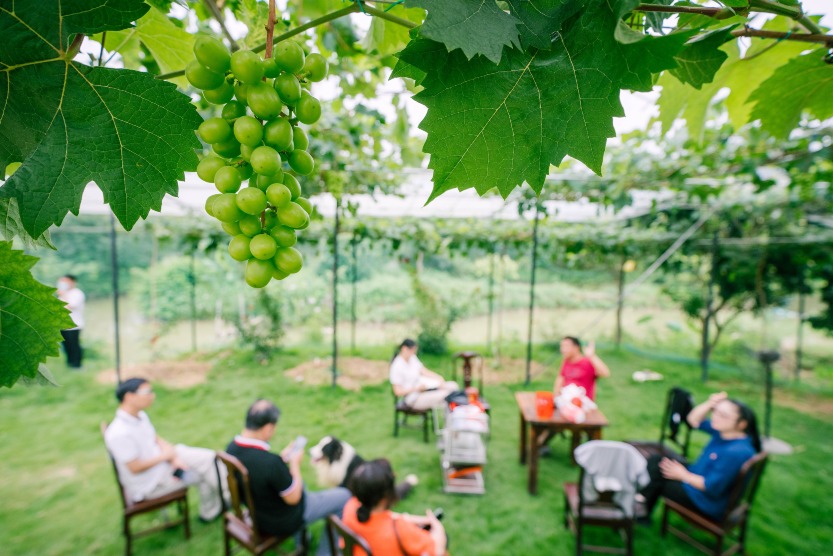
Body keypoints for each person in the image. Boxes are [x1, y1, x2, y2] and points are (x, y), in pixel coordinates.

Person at [226, 400, 351, 556]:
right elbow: (293, 498)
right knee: (344, 497)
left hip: (257, 511)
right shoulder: (270, 463)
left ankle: (303, 540)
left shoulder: (231, 448)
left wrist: (282, 459)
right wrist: (294, 465)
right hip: (280, 520)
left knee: (299, 484)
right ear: (268, 428)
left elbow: (259, 469)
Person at [103, 377, 228, 522]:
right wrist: (167, 456)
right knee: (202, 473)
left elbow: (154, 438)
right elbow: (135, 467)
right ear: (129, 397)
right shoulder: (119, 433)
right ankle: (217, 507)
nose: (152, 396)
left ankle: (225, 498)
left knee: (209, 458)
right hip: (152, 483)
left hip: (163, 463)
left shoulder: (140, 416)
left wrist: (173, 458)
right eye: (147, 392)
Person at [638, 391, 761, 523]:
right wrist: (710, 404)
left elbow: (711, 488)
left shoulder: (735, 452)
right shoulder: (727, 434)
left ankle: (641, 510)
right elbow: (693, 420)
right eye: (715, 411)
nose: (715, 417)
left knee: (659, 479)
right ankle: (641, 507)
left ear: (742, 424)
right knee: (657, 461)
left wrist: (683, 475)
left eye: (723, 415)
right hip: (698, 477)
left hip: (706, 502)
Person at [342, 459, 447, 556]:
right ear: (385, 497)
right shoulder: (399, 530)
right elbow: (436, 552)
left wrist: (417, 519)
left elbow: (387, 517)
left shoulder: (350, 507)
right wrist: (438, 527)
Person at [390, 339, 458, 411]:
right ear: (404, 349)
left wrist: (439, 378)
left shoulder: (412, 358)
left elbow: (423, 371)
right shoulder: (397, 366)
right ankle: (451, 418)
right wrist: (416, 389)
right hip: (413, 398)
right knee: (447, 395)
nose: (413, 353)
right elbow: (397, 391)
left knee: (453, 386)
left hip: (424, 389)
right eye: (412, 351)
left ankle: (454, 415)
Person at [553, 336, 611, 400]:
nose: (563, 350)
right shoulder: (566, 361)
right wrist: (556, 396)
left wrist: (592, 356)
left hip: (582, 404)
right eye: (562, 346)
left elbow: (605, 373)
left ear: (576, 347)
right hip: (566, 401)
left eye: (566, 346)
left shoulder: (587, 362)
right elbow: (560, 378)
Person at [57, 274, 85, 368]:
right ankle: (70, 363)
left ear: (72, 282)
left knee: (74, 346)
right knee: (66, 346)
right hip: (62, 325)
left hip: (74, 325)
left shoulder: (77, 293)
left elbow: (71, 306)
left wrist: (63, 295)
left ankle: (77, 365)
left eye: (65, 281)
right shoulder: (62, 294)